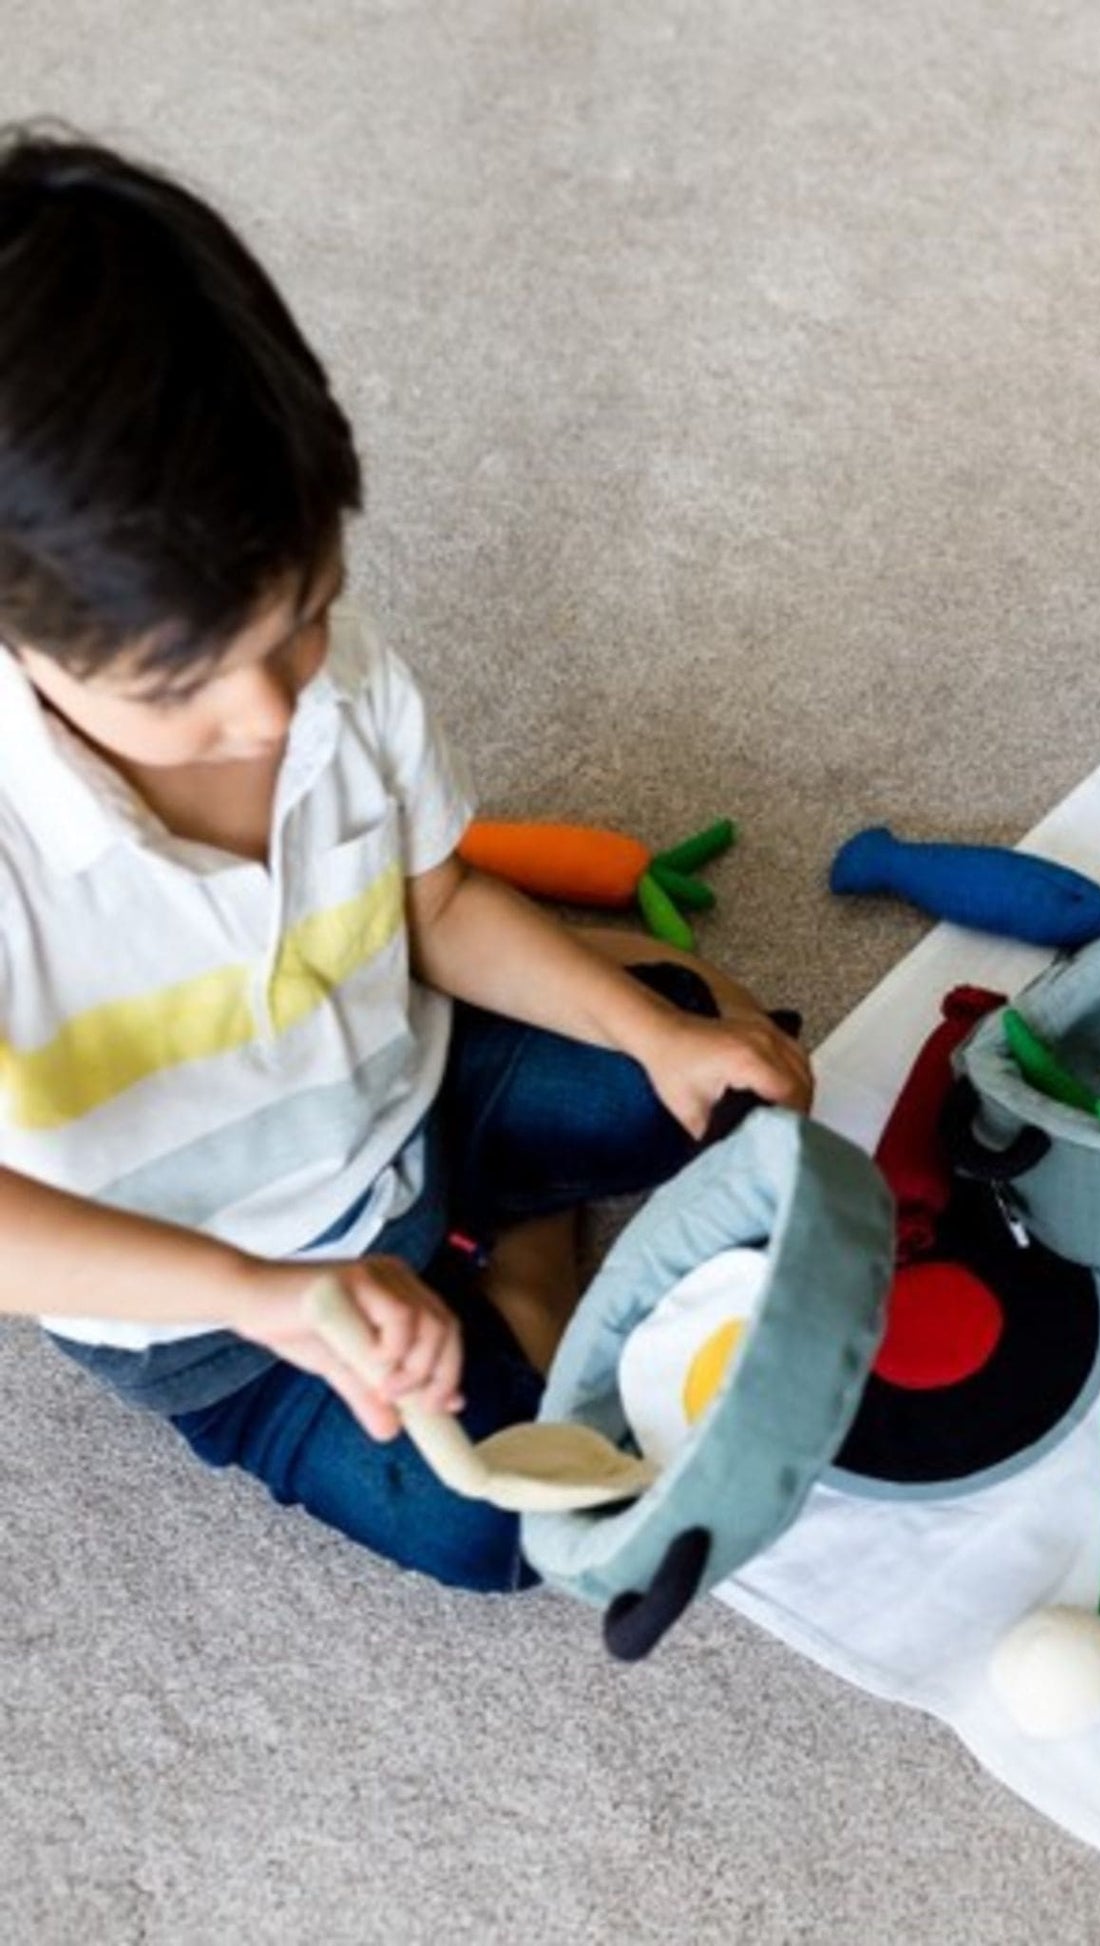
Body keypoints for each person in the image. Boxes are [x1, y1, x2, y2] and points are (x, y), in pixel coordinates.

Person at [0, 128, 814, 1590]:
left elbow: (433, 898)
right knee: (497, 1531)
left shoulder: (338, 680)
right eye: (182, 687)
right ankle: (516, 1254)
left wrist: (643, 1031)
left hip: (406, 1086)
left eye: (302, 617)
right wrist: (264, 1295)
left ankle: (513, 1213)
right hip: (216, 1311)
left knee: (713, 1060)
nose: (271, 710)